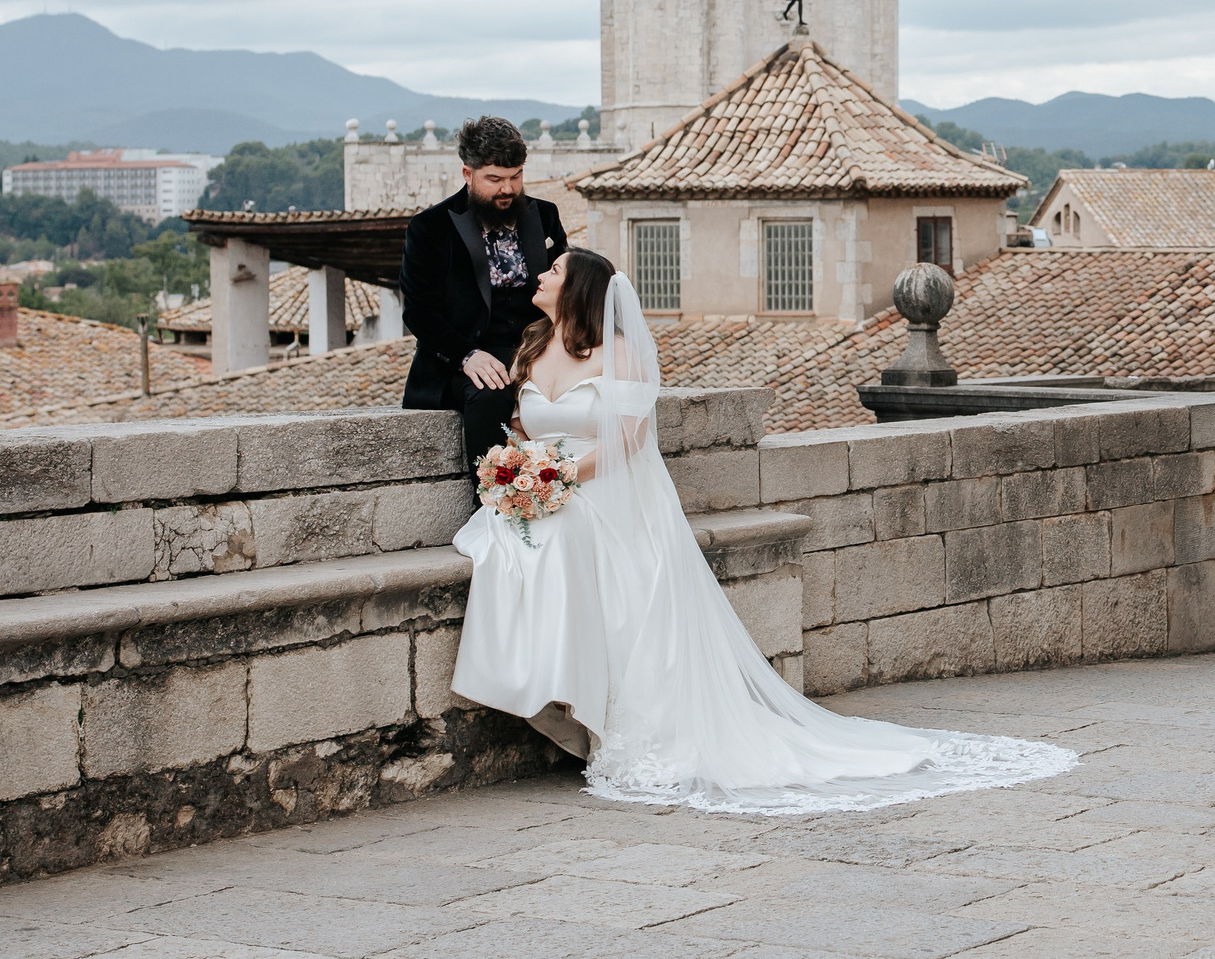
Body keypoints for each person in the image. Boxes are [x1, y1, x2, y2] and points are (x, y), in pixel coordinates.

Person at [450, 246, 1075, 813]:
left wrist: (559, 478)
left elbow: (628, 440)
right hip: (543, 480)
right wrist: (521, 471)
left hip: (601, 485)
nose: (540, 274)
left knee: (562, 539)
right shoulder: (531, 345)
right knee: (495, 543)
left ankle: (587, 701)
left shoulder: (623, 355)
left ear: (580, 288)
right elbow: (524, 425)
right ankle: (541, 681)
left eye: (554, 270)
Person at [400, 117, 569, 460]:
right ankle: (492, 504)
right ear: (468, 174)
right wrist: (467, 356)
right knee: (492, 394)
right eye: (494, 179)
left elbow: (568, 285)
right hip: (462, 360)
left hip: (536, 354)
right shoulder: (429, 227)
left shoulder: (545, 215)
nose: (507, 189)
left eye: (515, 177)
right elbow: (418, 310)